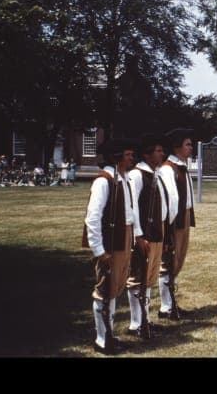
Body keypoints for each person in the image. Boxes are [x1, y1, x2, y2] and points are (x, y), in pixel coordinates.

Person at [83, 136, 142, 354]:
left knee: (115, 288)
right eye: (127, 155)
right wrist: (99, 250)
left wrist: (133, 238)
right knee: (104, 289)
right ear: (116, 157)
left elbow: (130, 214)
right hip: (110, 244)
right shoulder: (103, 181)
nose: (131, 159)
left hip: (123, 238)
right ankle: (101, 339)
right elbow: (92, 217)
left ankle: (110, 333)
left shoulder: (124, 179)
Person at [126, 134, 169, 339]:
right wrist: (138, 235)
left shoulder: (155, 174)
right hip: (144, 235)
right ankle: (136, 323)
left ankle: (146, 319)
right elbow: (132, 207)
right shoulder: (137, 175)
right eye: (158, 150)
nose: (162, 154)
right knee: (137, 278)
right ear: (147, 154)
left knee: (149, 278)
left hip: (156, 233)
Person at [158, 129, 196, 320]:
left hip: (185, 217)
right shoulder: (168, 169)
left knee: (178, 262)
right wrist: (169, 231)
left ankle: (172, 303)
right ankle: (166, 306)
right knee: (169, 262)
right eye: (187, 144)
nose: (191, 147)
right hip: (175, 222)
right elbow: (170, 202)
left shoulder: (182, 167)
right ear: (177, 146)